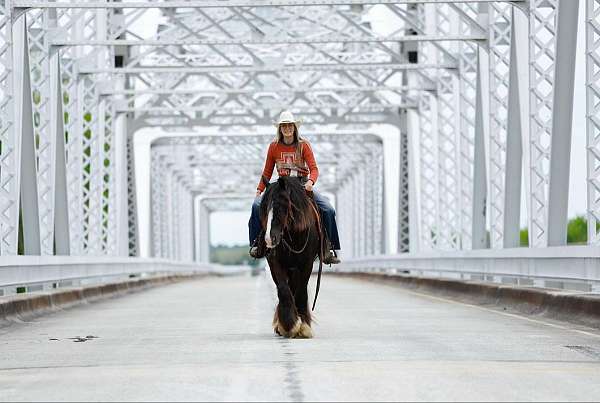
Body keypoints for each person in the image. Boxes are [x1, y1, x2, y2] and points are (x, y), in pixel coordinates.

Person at [248, 110, 341, 264]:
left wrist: (311, 182)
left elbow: (314, 169)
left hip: (301, 184)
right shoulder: (273, 146)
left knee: (328, 209)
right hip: (282, 184)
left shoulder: (304, 145)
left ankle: (329, 248)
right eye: (284, 126)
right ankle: (257, 244)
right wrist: (259, 190)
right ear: (280, 128)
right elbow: (267, 171)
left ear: (294, 127)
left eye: (290, 125)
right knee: (256, 206)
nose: (287, 128)